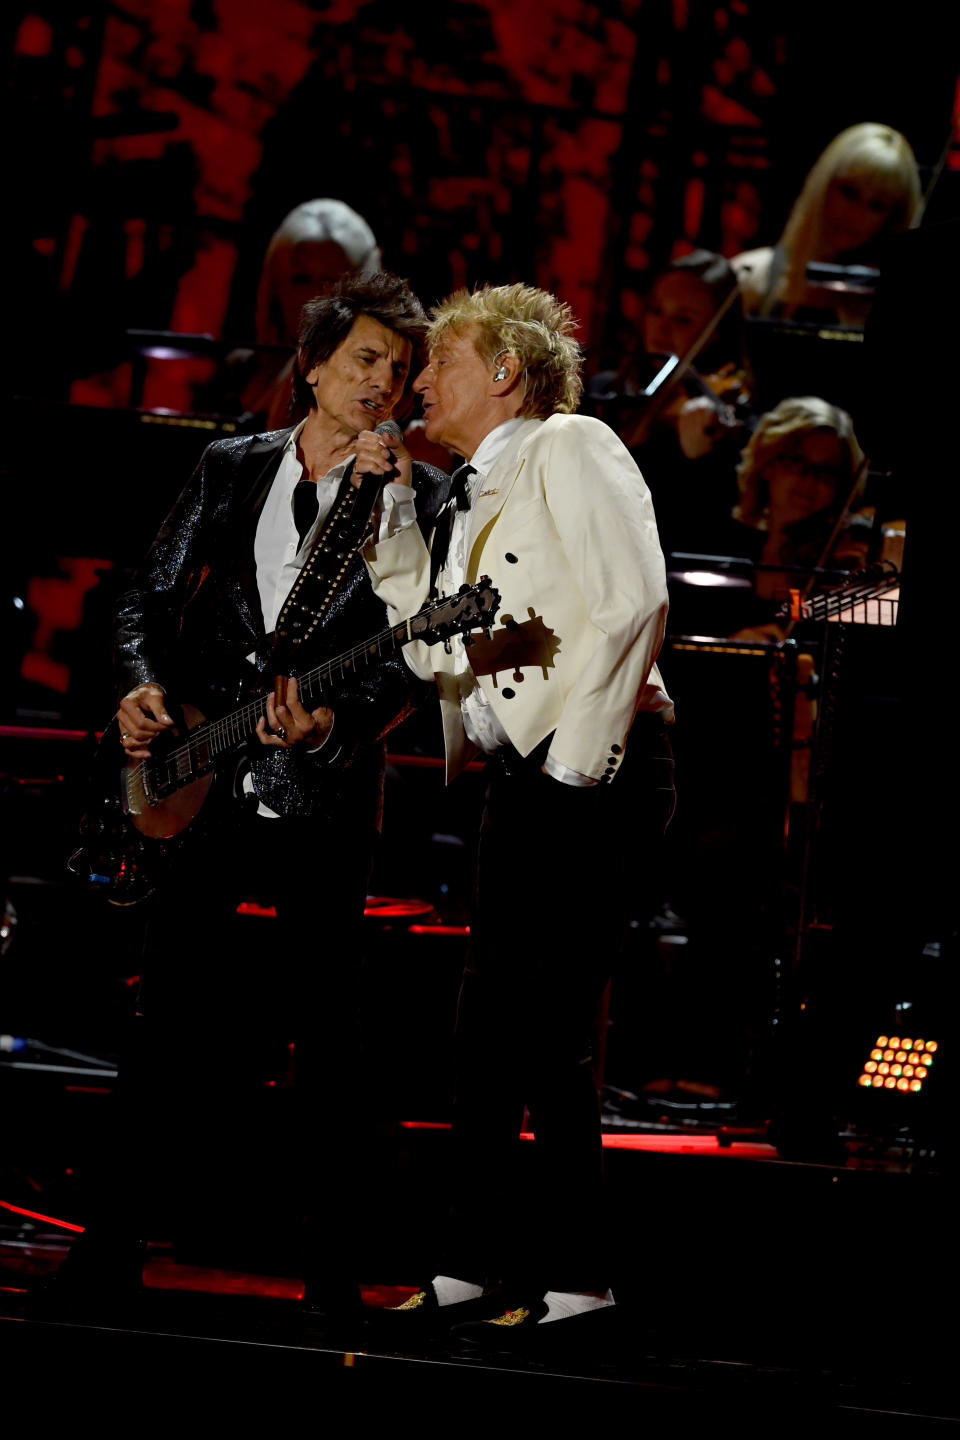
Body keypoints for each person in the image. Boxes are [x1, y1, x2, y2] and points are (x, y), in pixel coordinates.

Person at [41, 272, 449, 1320]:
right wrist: (140, 689)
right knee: (168, 1016)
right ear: (311, 364)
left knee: (326, 1032)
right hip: (203, 776)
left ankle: (333, 1271)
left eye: (399, 371)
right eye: (364, 360)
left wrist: (342, 721)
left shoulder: (423, 495)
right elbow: (139, 589)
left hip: (322, 794)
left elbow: (414, 658)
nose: (382, 384)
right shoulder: (230, 467)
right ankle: (112, 1243)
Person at [358, 282, 675, 1345]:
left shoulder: (569, 446)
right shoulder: (466, 494)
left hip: (588, 766)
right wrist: (397, 520)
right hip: (523, 776)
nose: (420, 383)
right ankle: (466, 1265)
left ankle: (579, 1283)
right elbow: (432, 647)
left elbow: (634, 600)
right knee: (486, 1028)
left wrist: (575, 770)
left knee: (550, 1033)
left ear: (502, 371)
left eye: (440, 362)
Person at [588, 249, 754, 556]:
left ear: (717, 332)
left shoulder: (728, 413)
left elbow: (715, 520)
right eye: (655, 311)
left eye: (683, 319)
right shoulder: (606, 390)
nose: (662, 328)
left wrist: (700, 461)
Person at [732, 123, 921, 327]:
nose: (856, 215)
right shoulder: (749, 275)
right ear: (823, 184)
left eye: (877, 205)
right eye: (848, 192)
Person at [725, 395, 872, 641]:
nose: (810, 480)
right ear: (768, 465)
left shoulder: (842, 566)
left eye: (826, 472)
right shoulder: (726, 548)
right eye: (797, 461)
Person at [225, 198, 382, 428]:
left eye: (332, 281)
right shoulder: (239, 372)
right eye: (301, 280)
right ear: (277, 285)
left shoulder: (382, 378)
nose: (317, 296)